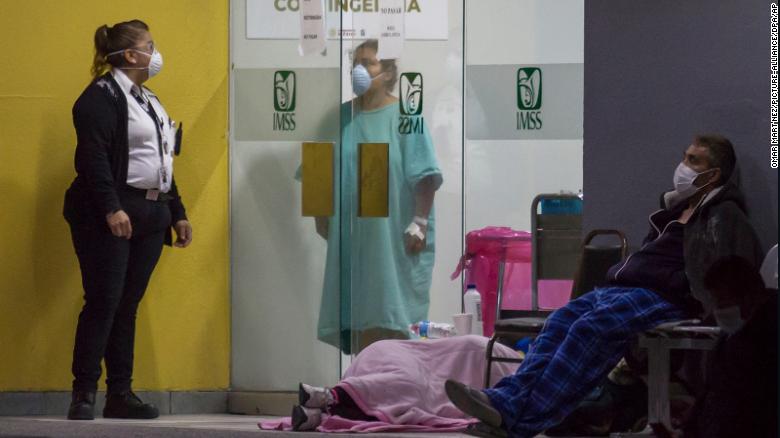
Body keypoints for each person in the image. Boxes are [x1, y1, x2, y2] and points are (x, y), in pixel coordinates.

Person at [445, 134, 762, 438]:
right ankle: (504, 401)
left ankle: (523, 420)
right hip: (624, 288)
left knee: (590, 329)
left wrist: (689, 290)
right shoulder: (676, 210)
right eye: (684, 156)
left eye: (694, 160)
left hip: (662, 295)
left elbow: (725, 270)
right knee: (560, 321)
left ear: (713, 174)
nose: (683, 165)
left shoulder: (724, 214)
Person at [63, 20, 192, 420]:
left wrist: (178, 211)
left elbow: (161, 160)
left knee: (127, 304)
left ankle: (120, 393)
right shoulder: (99, 97)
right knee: (104, 300)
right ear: (131, 55)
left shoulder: (149, 99)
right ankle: (83, 392)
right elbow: (93, 158)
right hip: (109, 212)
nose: (156, 53)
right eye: (149, 46)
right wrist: (110, 208)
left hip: (151, 214)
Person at [312, 39, 442, 353]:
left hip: (395, 237)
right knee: (360, 315)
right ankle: (365, 389)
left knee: (393, 314)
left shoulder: (406, 116)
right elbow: (317, 167)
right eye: (356, 62)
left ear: (387, 72)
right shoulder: (338, 119)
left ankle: (392, 387)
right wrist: (320, 215)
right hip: (355, 239)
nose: (359, 69)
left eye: (368, 62)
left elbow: (425, 174)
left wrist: (420, 222)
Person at [256, 336, 520, 432]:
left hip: (396, 368)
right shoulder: (506, 361)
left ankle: (321, 412)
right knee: (409, 387)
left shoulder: (511, 368)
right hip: (398, 359)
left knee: (404, 404)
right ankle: (331, 397)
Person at [669, 255, 777, 438]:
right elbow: (719, 388)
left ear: (748, 297)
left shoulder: (762, 342)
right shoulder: (736, 335)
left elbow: (744, 409)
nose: (718, 310)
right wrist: (697, 412)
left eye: (723, 302)